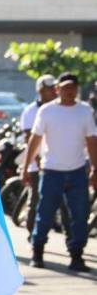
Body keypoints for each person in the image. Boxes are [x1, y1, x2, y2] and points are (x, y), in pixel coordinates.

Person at [23, 73, 97, 272]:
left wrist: (95, 169)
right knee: (44, 214)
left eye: (73, 87)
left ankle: (76, 255)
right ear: (58, 89)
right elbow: (35, 140)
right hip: (51, 171)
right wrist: (27, 168)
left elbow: (91, 141)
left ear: (77, 89)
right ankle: (37, 251)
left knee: (80, 216)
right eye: (65, 88)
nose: (69, 91)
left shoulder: (85, 111)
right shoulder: (47, 111)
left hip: (76, 172)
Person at [20, 75, 60, 236]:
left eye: (54, 89)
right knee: (36, 200)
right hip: (38, 166)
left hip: (56, 164)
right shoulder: (31, 111)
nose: (54, 92)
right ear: (41, 90)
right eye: (50, 89)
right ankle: (32, 235)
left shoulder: (58, 108)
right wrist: (37, 161)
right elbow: (30, 138)